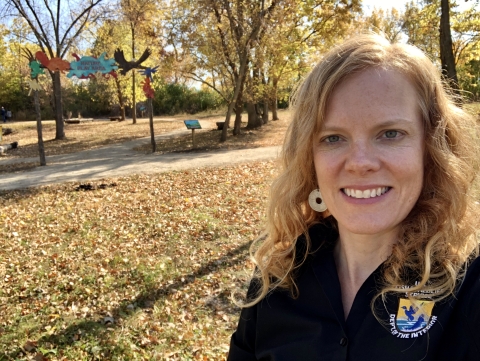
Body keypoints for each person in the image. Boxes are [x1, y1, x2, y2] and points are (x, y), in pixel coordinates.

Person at [228, 34, 480, 360]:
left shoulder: (468, 289)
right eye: (333, 138)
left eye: (390, 134)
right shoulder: (277, 280)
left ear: (431, 149)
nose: (360, 162)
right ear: (310, 159)